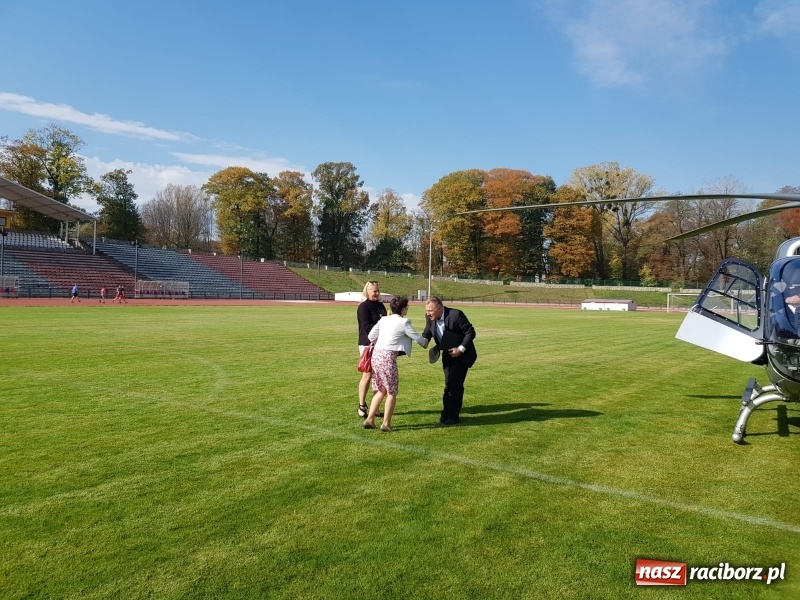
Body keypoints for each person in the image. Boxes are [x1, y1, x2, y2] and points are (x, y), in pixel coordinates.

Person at [363, 296, 426, 432]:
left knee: (381, 389)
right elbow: (417, 338)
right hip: (388, 357)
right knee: (392, 391)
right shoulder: (404, 322)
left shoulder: (383, 319)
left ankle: (370, 419)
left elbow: (371, 336)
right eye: (407, 307)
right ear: (403, 309)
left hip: (376, 356)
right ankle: (386, 423)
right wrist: (425, 342)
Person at [422, 296, 477, 426]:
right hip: (447, 355)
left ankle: (453, 417)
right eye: (427, 310)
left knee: (455, 386)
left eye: (430, 310)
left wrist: (460, 349)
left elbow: (470, 332)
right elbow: (427, 332)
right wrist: (422, 339)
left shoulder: (455, 314)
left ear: (440, 308)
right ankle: (445, 415)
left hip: (461, 356)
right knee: (448, 385)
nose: (428, 313)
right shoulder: (429, 318)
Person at [357, 280, 386, 418]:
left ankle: (376, 406)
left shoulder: (381, 306)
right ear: (367, 291)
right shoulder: (363, 307)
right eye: (374, 291)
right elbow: (366, 326)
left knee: (378, 376)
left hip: (380, 344)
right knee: (367, 375)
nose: (377, 293)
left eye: (378, 290)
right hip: (367, 344)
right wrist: (382, 327)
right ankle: (362, 405)